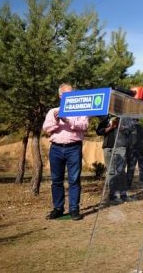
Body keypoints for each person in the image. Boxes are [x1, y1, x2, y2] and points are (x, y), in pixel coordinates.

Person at [42, 83, 89, 221]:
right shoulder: (53, 111)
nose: (68, 96)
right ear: (60, 96)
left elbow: (84, 126)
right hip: (56, 148)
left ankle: (74, 209)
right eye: (65, 94)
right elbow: (46, 128)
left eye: (71, 93)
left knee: (74, 180)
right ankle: (58, 208)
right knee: (56, 180)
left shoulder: (81, 110)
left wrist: (67, 120)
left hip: (74, 148)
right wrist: (56, 121)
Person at [96, 115, 131, 203]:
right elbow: (99, 132)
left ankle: (123, 195)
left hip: (120, 147)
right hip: (108, 147)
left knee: (121, 171)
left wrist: (121, 127)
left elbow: (130, 131)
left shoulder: (124, 118)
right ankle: (113, 195)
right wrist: (111, 127)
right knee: (110, 171)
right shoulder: (105, 118)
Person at [127, 119, 143, 185]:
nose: (134, 121)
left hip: (138, 150)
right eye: (134, 120)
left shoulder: (135, 128)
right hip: (136, 150)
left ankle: (131, 183)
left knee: (137, 167)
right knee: (135, 167)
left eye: (135, 120)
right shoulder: (133, 128)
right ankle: (130, 183)